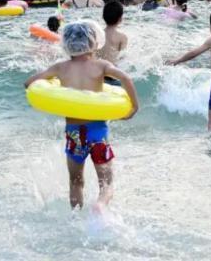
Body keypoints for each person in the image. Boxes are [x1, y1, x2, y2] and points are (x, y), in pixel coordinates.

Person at [24, 22, 140, 210]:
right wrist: (134, 106)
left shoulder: (60, 68)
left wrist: (51, 84)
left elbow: (28, 83)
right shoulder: (101, 65)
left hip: (74, 133)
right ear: (93, 42)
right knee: (107, 182)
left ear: (66, 44)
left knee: (76, 182)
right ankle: (100, 205)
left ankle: (75, 217)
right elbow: (126, 78)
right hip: (98, 132)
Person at [98, 0, 128, 66]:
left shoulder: (97, 34)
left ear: (103, 17)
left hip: (99, 67)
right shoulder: (122, 37)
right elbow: (123, 58)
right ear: (120, 19)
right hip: (113, 69)